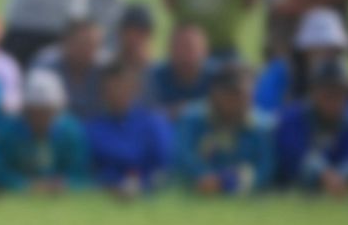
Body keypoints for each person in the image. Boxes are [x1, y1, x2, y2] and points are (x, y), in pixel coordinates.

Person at [0, 67, 89, 194]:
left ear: (57, 110)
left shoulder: (71, 132)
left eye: (47, 112)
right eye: (35, 112)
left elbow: (81, 175)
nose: (41, 118)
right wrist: (25, 185)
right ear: (26, 110)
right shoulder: (8, 130)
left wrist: (61, 185)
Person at [273, 60, 348, 196]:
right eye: (327, 93)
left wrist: (340, 178)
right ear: (313, 92)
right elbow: (294, 159)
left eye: (338, 94)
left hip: (342, 187)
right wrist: (323, 175)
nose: (333, 100)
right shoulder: (292, 118)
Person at [175, 64, 273, 195]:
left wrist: (246, 182)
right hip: (200, 185)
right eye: (232, 94)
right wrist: (203, 176)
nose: (238, 100)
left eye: (245, 94)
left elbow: (267, 164)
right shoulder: (193, 119)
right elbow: (183, 155)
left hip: (243, 185)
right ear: (215, 94)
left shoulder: (263, 127)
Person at [82, 62, 175, 197]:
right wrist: (112, 186)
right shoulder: (93, 129)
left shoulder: (154, 124)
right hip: (108, 192)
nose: (117, 93)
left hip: (147, 191)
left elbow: (165, 167)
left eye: (123, 87)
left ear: (135, 89)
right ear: (102, 92)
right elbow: (90, 172)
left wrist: (141, 186)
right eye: (111, 87)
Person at [254, 7, 348, 114]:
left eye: (333, 51)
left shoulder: (340, 79)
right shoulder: (280, 72)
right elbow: (263, 113)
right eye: (321, 49)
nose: (328, 56)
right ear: (305, 51)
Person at [33, 17, 106, 120]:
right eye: (84, 44)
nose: (89, 50)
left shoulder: (105, 69)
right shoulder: (46, 65)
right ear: (66, 42)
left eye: (95, 45)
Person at [147, 23, 213, 114]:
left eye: (190, 48)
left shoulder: (218, 79)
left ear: (205, 51)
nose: (184, 54)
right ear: (169, 50)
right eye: (179, 47)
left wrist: (186, 110)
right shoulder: (152, 79)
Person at [115, 2, 156, 74]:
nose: (133, 38)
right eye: (128, 31)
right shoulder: (107, 72)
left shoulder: (157, 75)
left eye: (139, 32)